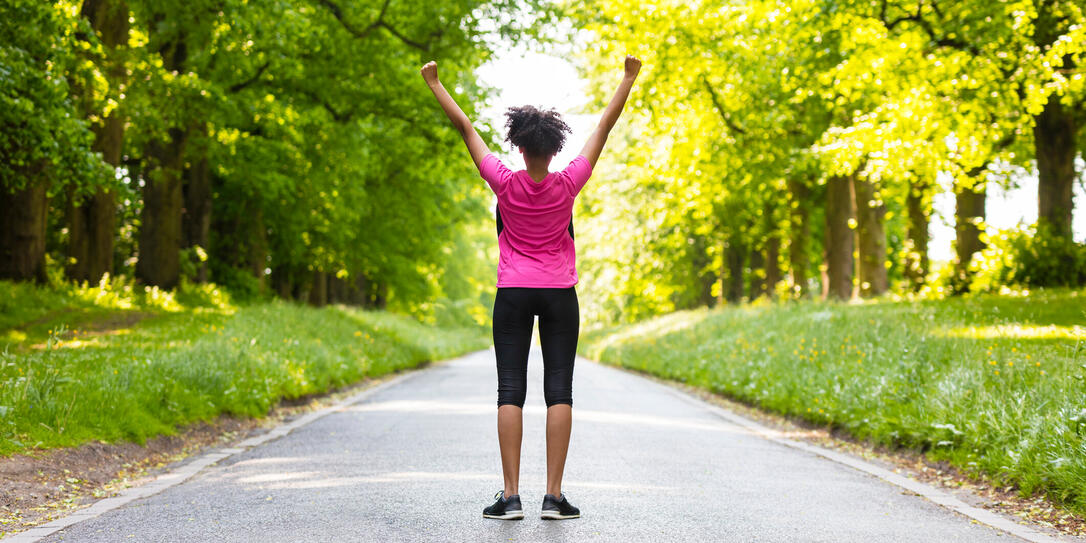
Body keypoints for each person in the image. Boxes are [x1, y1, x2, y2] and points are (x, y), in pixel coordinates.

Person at [420, 54, 641, 520]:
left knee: (509, 390)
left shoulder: (503, 182)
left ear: (520, 148)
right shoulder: (568, 183)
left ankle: (511, 496)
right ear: (554, 149)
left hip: (514, 294)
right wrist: (627, 78)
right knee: (560, 389)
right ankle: (554, 497)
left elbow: (465, 129)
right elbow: (603, 127)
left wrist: (435, 84)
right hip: (560, 293)